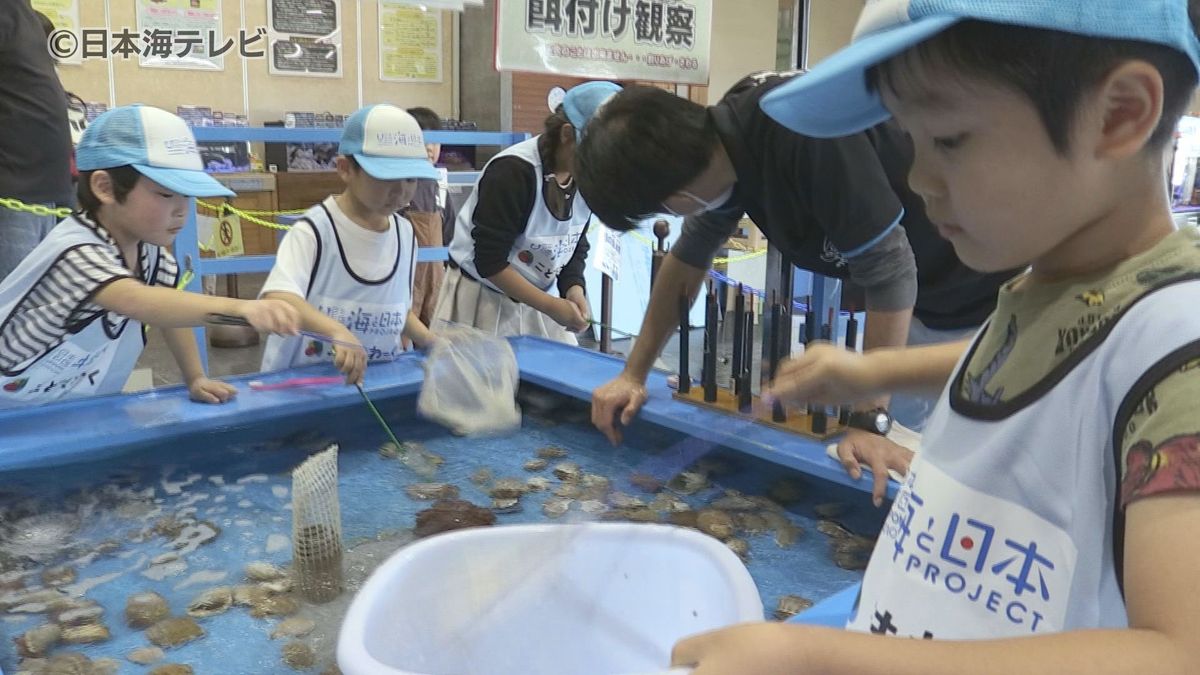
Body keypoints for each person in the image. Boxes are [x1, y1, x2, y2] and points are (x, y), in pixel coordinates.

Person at [668, 1, 1200, 673]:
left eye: (947, 139)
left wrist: (816, 654)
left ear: (1119, 114)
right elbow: (1052, 371)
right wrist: (876, 374)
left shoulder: (1182, 348)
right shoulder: (1054, 289)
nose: (918, 181)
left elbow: (1179, 651)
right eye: (909, 140)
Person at [579, 73, 1022, 451]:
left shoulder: (800, 130)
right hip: (921, 300)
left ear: (674, 199)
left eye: (661, 211)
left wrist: (869, 421)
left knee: (947, 450)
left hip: (977, 296)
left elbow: (891, 270)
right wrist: (633, 374)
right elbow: (687, 259)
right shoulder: (725, 144)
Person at [0, 105, 300, 408]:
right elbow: (139, 301)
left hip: (51, 407)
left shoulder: (150, 254)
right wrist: (240, 307)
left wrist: (195, 377)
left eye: (187, 195)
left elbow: (170, 313)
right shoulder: (77, 251)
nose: (182, 210)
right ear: (104, 187)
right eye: (167, 195)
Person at [260, 104, 438, 384]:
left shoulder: (405, 234)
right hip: (303, 388)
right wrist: (335, 331)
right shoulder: (315, 231)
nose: (401, 190)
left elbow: (394, 309)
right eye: (386, 177)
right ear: (345, 169)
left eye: (410, 178)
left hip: (373, 384)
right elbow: (279, 297)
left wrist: (428, 339)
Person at [434, 81, 620, 345]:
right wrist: (551, 306)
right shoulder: (513, 172)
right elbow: (490, 261)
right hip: (481, 301)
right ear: (567, 135)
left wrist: (573, 289)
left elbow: (573, 243)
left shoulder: (585, 178)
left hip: (540, 302)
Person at [0, 0, 74, 282]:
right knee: (14, 307)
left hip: (53, 188)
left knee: (51, 308)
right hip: (14, 190)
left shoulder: (22, 14)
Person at [403, 106, 455, 329]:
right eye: (422, 141)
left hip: (435, 280)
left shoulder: (440, 185)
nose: (429, 148)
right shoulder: (397, 186)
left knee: (433, 333)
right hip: (404, 279)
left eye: (434, 141)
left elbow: (451, 234)